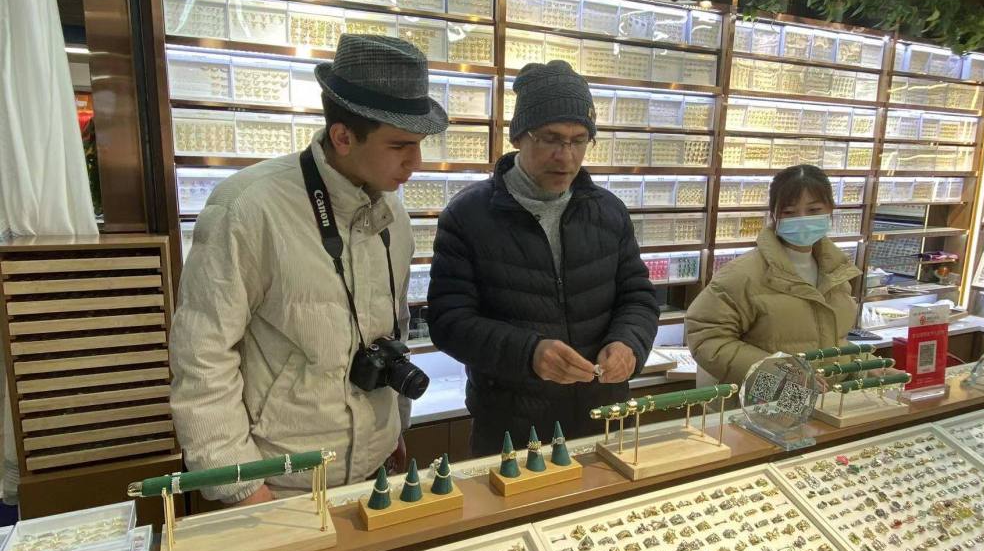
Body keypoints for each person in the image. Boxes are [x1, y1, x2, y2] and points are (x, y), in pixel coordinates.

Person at [169, 35, 447, 505]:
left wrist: (394, 428)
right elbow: (201, 355)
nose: (415, 163)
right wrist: (241, 484)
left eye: (419, 144)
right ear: (343, 136)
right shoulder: (248, 207)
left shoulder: (393, 214)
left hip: (376, 470)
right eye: (400, 145)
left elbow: (391, 329)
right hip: (281, 482)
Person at [427, 60, 660, 455]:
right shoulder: (468, 216)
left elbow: (637, 296)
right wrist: (529, 353)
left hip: (602, 417)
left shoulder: (609, 211)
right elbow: (449, 322)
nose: (566, 156)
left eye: (579, 140)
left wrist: (629, 344)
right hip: (511, 429)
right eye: (551, 139)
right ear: (519, 136)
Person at [685, 164, 860, 387]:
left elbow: (836, 340)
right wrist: (782, 374)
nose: (802, 219)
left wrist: (863, 367)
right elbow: (707, 337)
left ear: (830, 210)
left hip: (825, 402)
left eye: (813, 210)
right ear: (774, 215)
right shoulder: (742, 275)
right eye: (789, 212)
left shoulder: (837, 271)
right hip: (766, 404)